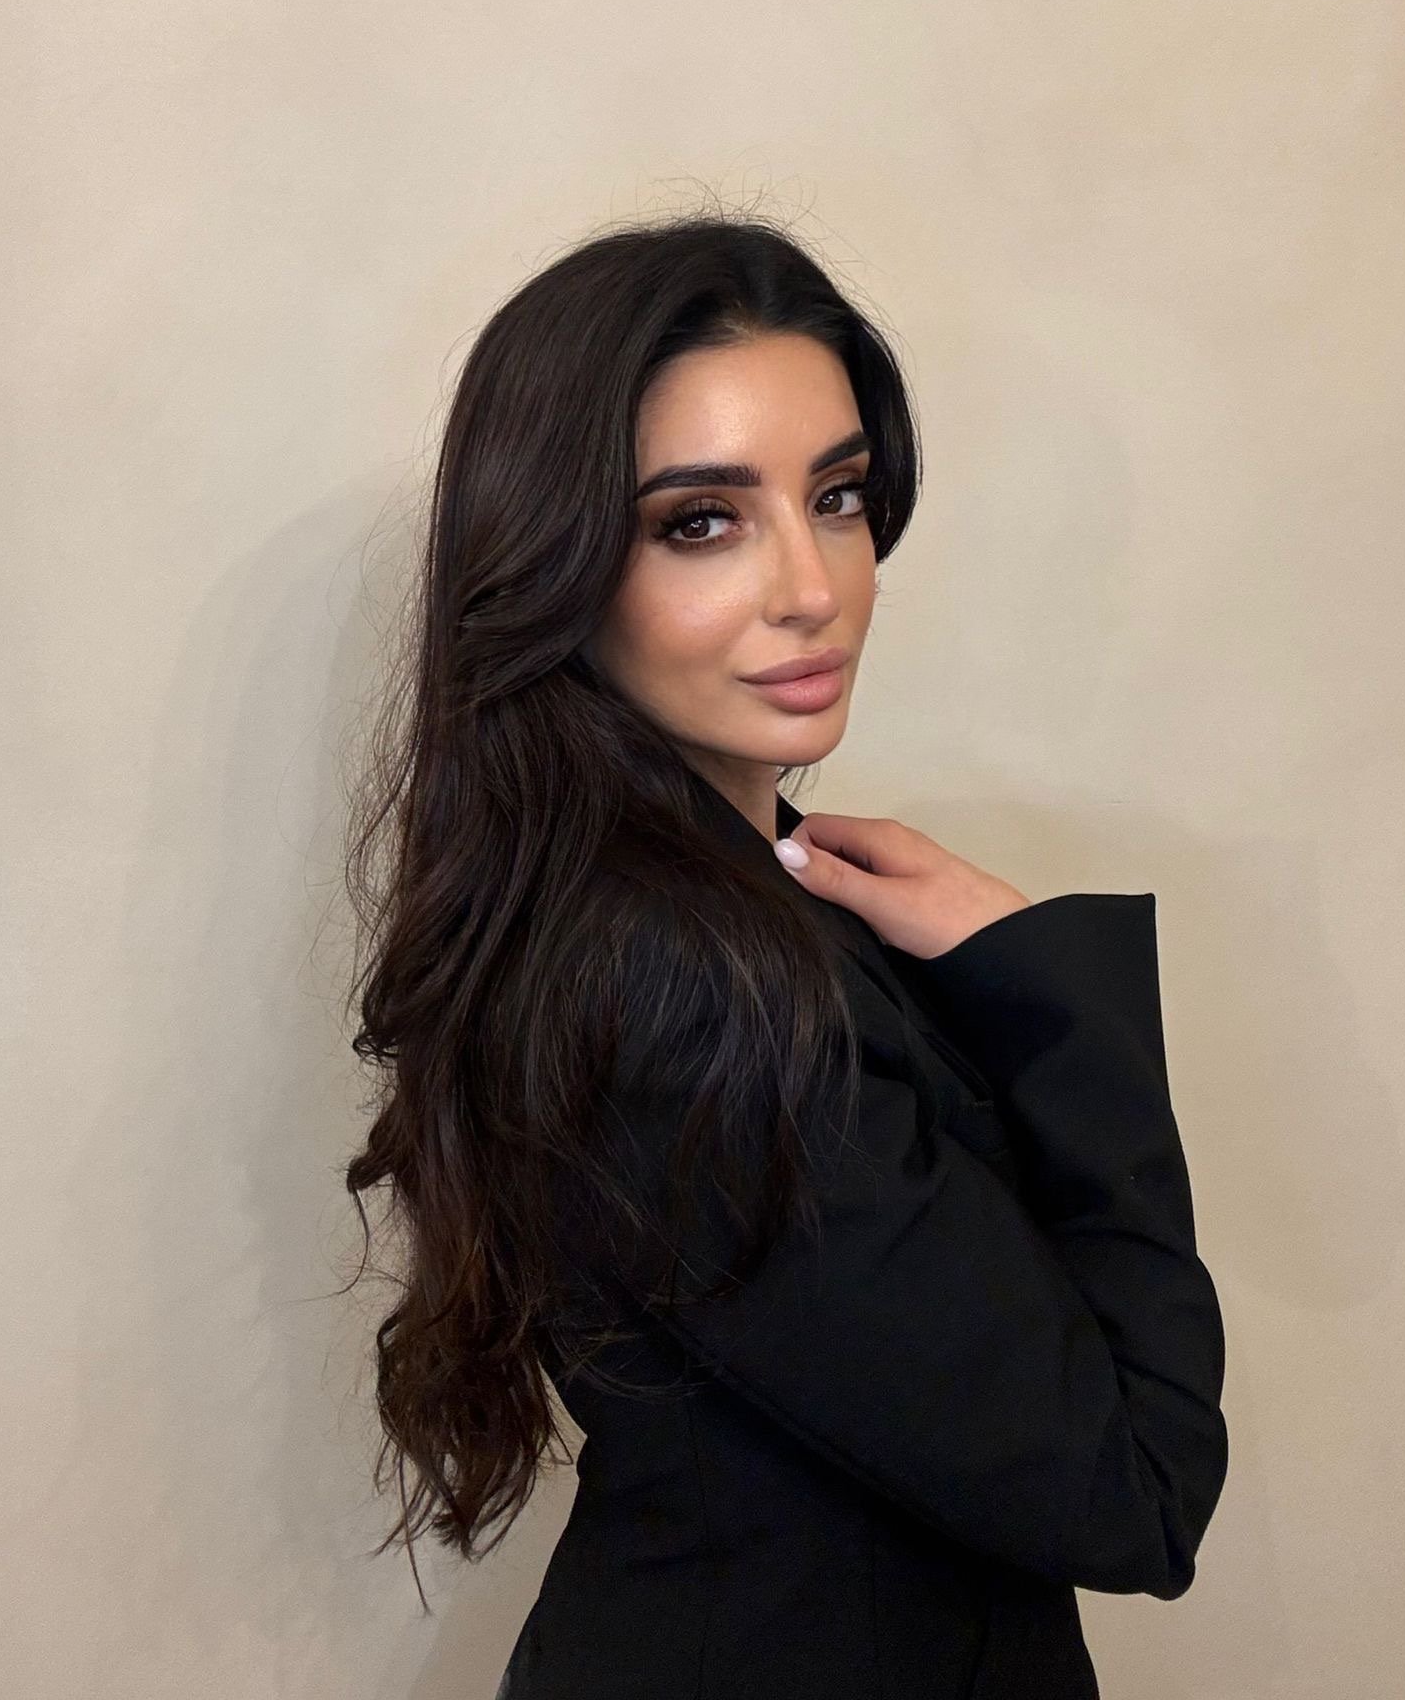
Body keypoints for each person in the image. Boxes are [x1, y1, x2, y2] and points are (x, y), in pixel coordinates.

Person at [340, 210, 1228, 1699]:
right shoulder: (685, 989)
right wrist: (1052, 1006)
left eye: (839, 495)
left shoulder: (702, 914)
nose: (813, 586)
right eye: (702, 521)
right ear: (555, 564)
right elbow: (1130, 1488)